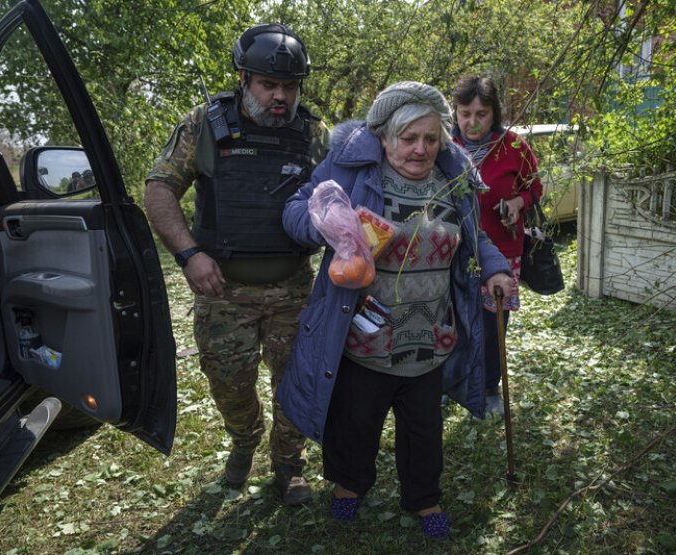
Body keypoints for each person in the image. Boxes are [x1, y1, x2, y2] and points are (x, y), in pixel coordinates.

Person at [278, 81, 515, 538]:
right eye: (408, 139)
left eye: (430, 139)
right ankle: (349, 487)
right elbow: (295, 209)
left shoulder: (453, 182)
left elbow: (475, 237)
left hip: (430, 335)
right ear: (385, 138)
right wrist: (331, 226)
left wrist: (496, 269)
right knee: (356, 422)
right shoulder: (353, 173)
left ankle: (424, 499)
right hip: (363, 336)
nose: (420, 149)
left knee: (424, 429)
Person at [144, 23, 329, 504]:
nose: (280, 96)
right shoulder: (206, 124)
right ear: (244, 79)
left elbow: (341, 195)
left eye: (290, 86)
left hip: (294, 287)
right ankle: (245, 439)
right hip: (222, 289)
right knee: (229, 383)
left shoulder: (313, 133)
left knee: (297, 381)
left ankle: (289, 465)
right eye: (269, 85)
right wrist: (188, 254)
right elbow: (160, 188)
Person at [451, 75, 543, 416]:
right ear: (455, 113)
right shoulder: (445, 146)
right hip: (455, 250)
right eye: (465, 113)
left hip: (502, 250)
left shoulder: (513, 146)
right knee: (455, 318)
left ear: (495, 113)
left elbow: (536, 188)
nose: (472, 122)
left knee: (493, 326)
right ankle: (454, 381)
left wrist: (518, 202)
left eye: (481, 114)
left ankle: (490, 388)